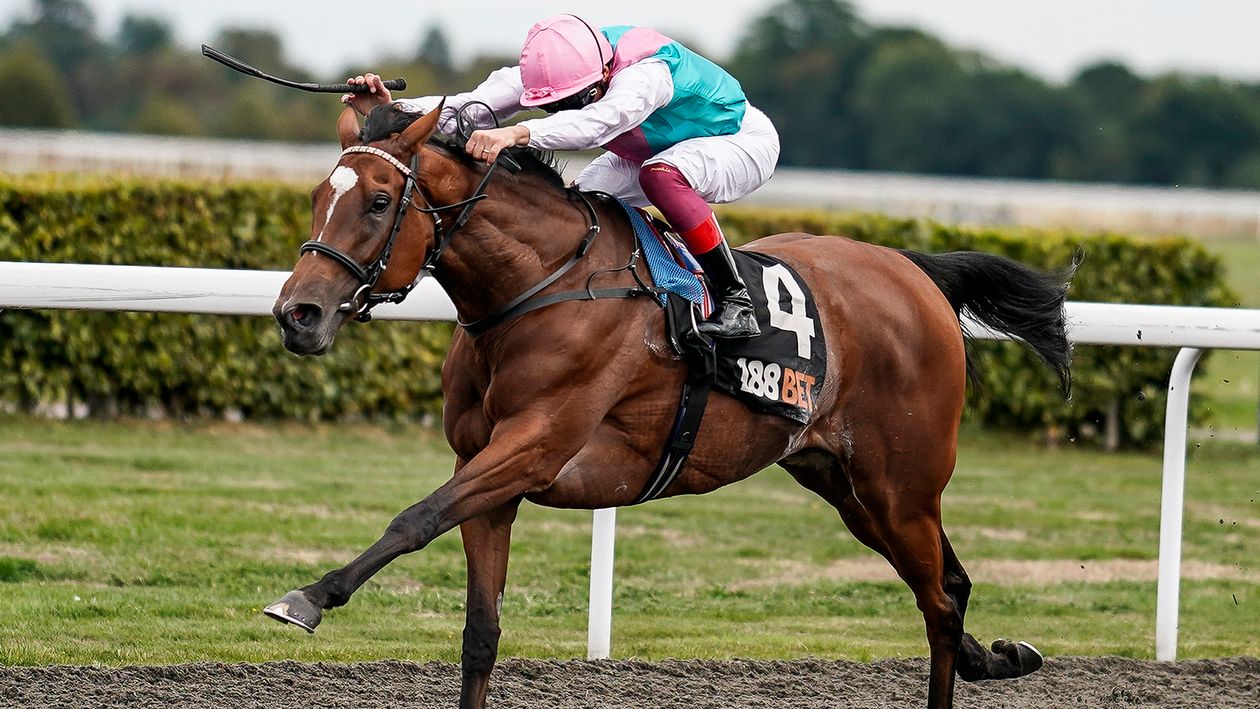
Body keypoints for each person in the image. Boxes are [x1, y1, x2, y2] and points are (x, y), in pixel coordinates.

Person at [344, 15, 780, 339]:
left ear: (603, 74)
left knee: (661, 176)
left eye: (577, 100)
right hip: (652, 150)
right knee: (579, 210)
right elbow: (468, 109)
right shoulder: (552, 71)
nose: (566, 110)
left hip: (740, 141)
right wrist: (393, 110)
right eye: (555, 106)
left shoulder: (647, 74)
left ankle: (735, 298)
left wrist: (519, 132)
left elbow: (599, 124)